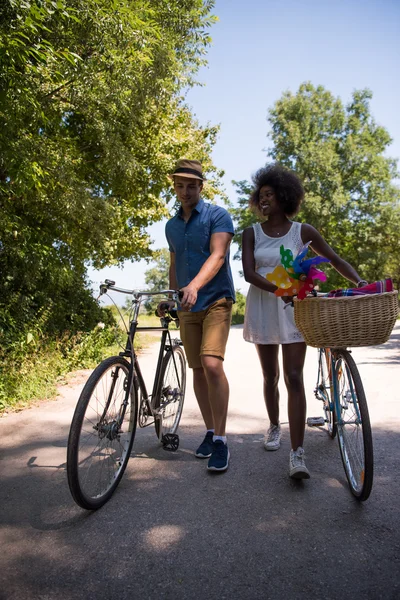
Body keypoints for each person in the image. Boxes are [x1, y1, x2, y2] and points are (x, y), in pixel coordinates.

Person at [242, 164, 367, 479]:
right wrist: (280, 288)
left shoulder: (303, 231)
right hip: (263, 305)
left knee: (293, 377)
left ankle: (297, 454)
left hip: (294, 308)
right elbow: (249, 273)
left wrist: (360, 283)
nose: (264, 199)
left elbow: (334, 260)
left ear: (285, 197)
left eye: (270, 194)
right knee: (270, 376)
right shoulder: (250, 233)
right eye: (261, 195)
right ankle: (274, 426)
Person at [159, 158, 235, 472]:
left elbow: (219, 254)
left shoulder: (219, 215)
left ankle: (221, 441)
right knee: (198, 370)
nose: (185, 190)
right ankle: (209, 431)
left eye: (191, 185)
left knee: (211, 363)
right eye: (180, 185)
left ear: (201, 186)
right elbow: (175, 263)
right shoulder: (171, 226)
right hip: (187, 305)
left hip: (216, 298)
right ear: (175, 187)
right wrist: (170, 295)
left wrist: (194, 285)